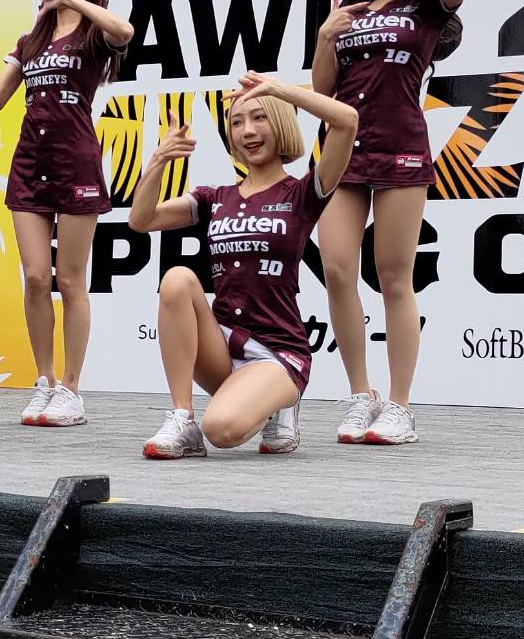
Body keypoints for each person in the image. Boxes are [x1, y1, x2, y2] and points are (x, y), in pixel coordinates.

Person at [311, 0, 476, 446]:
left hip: (401, 148)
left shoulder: (428, 5)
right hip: (343, 150)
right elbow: (322, 90)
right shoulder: (351, 9)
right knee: (337, 268)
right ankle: (361, 394)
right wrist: (327, 35)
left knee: (394, 277)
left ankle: (400, 406)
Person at [129, 75, 358, 459]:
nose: (247, 131)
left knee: (221, 430)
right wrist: (159, 159)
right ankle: (182, 418)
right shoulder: (215, 198)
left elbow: (348, 120)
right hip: (223, 345)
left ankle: (279, 401)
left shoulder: (302, 192)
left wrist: (279, 90)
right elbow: (142, 219)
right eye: (237, 122)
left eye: (259, 118)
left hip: (278, 353)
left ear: (281, 122)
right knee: (177, 279)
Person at [0, 0, 133, 427]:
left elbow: (124, 31)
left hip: (76, 163)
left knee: (71, 279)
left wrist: (73, 2)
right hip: (28, 164)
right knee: (37, 277)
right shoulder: (31, 40)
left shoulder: (95, 33)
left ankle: (72, 389)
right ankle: (44, 380)